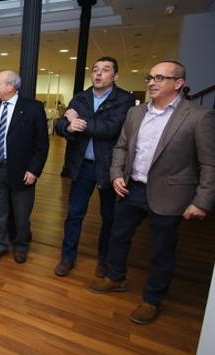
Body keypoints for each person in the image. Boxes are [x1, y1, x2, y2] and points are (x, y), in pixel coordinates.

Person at [89, 61, 215, 324]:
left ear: (178, 83)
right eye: (150, 77)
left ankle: (151, 300)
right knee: (118, 236)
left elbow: (209, 162)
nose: (152, 82)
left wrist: (202, 200)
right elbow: (121, 147)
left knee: (161, 250)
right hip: (130, 188)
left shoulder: (198, 116)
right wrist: (116, 175)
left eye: (160, 77)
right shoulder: (136, 113)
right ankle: (115, 277)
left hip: (170, 195)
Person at [54, 57, 135, 277]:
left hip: (110, 168)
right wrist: (69, 125)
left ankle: (104, 260)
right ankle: (67, 256)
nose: (98, 74)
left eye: (105, 70)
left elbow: (111, 128)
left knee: (109, 217)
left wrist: (80, 122)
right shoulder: (80, 97)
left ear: (115, 76)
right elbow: (59, 125)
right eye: (95, 70)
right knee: (74, 214)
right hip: (82, 166)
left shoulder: (125, 100)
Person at [0, 70, 49, 264]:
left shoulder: (33, 108)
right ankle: (0, 244)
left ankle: (21, 246)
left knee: (21, 213)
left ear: (11, 86)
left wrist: (34, 170)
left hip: (22, 171)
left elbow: (42, 144)